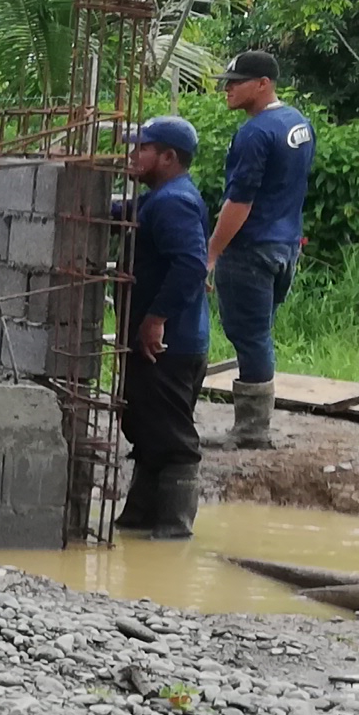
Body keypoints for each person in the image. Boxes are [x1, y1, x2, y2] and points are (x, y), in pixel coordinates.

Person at [209, 48, 314, 448]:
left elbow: (240, 202)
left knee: (249, 335)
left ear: (263, 84)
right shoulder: (298, 123)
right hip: (286, 245)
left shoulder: (255, 133)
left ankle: (252, 430)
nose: (228, 90)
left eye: (237, 83)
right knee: (259, 332)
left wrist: (211, 253)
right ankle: (254, 426)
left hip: (251, 248)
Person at [117, 114, 210, 539]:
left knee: (172, 441)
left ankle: (173, 534)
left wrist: (156, 319)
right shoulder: (159, 198)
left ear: (169, 157)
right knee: (149, 431)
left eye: (142, 149)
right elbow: (121, 212)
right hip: (165, 341)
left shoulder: (173, 202)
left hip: (169, 345)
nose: (132, 155)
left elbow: (191, 264)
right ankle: (139, 523)